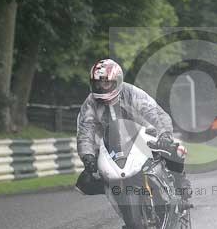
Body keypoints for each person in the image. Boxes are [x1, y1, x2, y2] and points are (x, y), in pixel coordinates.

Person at [76, 58, 192, 206]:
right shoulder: (90, 103)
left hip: (142, 135)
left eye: (106, 82)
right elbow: (85, 131)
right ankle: (115, 193)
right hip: (109, 145)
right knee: (84, 183)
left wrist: (164, 134)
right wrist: (87, 156)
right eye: (97, 83)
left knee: (176, 149)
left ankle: (180, 182)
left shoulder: (130, 92)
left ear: (117, 81)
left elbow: (154, 112)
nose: (101, 87)